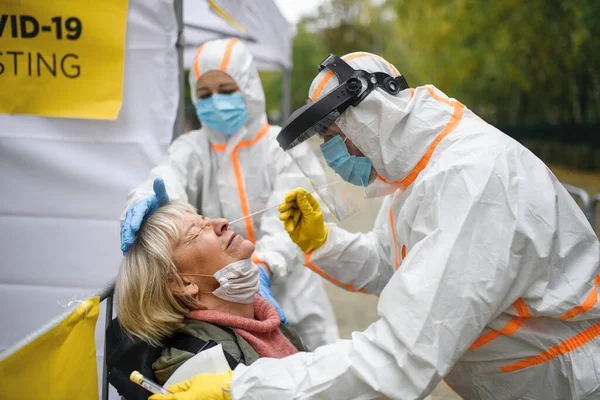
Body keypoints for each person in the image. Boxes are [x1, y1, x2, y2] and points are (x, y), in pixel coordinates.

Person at [149, 52, 600, 400]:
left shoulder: (470, 181)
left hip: (566, 384)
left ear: (367, 119)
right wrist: (323, 243)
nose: (330, 156)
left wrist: (243, 388)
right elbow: (390, 266)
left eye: (330, 139)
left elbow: (399, 360)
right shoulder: (414, 176)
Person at [122, 38, 338, 351]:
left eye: (226, 90)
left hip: (294, 290)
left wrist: (264, 265)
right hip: (226, 297)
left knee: (317, 361)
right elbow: (167, 176)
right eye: (205, 94)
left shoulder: (282, 146)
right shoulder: (194, 149)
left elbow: (293, 213)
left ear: (249, 88)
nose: (216, 101)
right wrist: (144, 200)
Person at [116, 197, 307, 385]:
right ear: (181, 283)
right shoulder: (200, 366)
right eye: (196, 231)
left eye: (205, 219)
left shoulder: (263, 319)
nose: (222, 222)